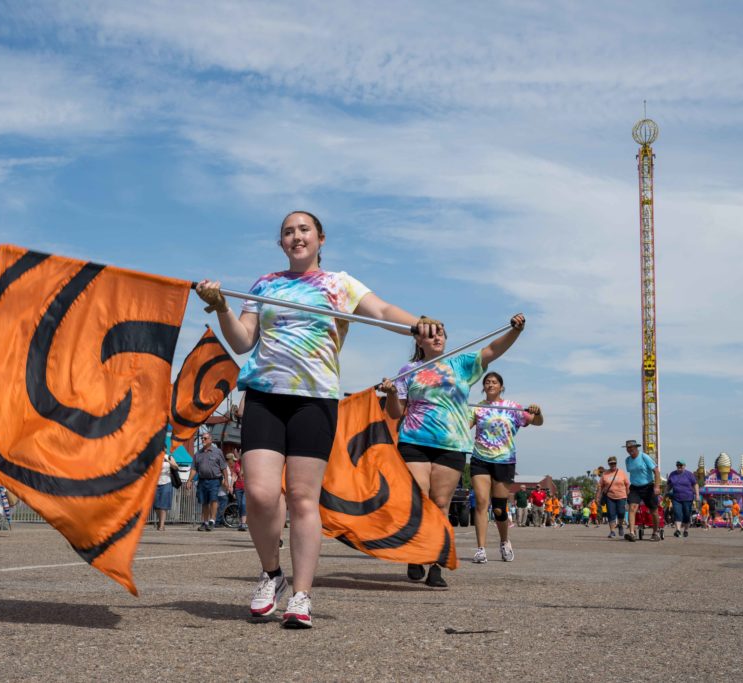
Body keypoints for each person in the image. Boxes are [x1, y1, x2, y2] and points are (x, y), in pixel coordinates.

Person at [196, 210, 432, 628]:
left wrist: (417, 324)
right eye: (288, 231)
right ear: (281, 243)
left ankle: (302, 594)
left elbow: (380, 310)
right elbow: (242, 340)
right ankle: (272, 574)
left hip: (314, 400)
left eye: (304, 229)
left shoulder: (339, 284)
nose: (296, 236)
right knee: (263, 496)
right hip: (265, 397)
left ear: (320, 238)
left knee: (304, 498)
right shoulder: (265, 284)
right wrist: (221, 308)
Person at [380, 313, 528, 586]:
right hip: (414, 440)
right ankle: (416, 551)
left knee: (440, 504)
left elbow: (493, 350)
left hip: (452, 445)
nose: (437, 337)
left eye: (441, 333)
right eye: (431, 333)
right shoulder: (408, 370)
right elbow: (395, 412)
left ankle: (435, 564)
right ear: (419, 339)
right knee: (418, 499)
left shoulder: (461, 363)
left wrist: (515, 331)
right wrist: (391, 393)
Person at [468, 371, 543, 563]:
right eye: (487, 382)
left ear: (501, 387)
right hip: (480, 459)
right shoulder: (477, 407)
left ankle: (504, 541)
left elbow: (537, 422)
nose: (490, 384)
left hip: (504, 461)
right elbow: (463, 426)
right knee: (482, 503)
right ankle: (480, 549)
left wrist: (538, 412)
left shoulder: (513, 408)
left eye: (494, 382)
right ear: (483, 387)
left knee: (499, 508)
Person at [185, 431, 228, 531]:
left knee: (213, 499)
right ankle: (205, 522)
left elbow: (224, 468)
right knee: (204, 501)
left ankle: (212, 521)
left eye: (205, 438)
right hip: (202, 480)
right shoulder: (197, 454)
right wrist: (189, 480)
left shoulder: (218, 452)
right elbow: (194, 469)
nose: (203, 440)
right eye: (202, 438)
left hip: (215, 480)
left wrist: (226, 480)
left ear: (210, 440)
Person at [622, 439, 661, 542]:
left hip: (648, 486)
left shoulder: (644, 457)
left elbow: (656, 471)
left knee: (654, 511)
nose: (630, 450)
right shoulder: (627, 460)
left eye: (632, 448)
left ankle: (655, 532)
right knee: (632, 508)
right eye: (628, 448)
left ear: (636, 447)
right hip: (635, 487)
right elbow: (633, 473)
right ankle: (631, 533)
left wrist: (657, 486)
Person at [596, 456, 630, 538]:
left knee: (621, 513)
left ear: (616, 463)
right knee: (611, 514)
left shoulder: (621, 472)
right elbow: (600, 486)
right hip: (609, 497)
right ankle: (612, 531)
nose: (613, 465)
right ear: (608, 464)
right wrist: (597, 497)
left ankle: (620, 525)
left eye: (614, 463)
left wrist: (629, 495)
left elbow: (627, 484)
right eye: (611, 463)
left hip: (621, 496)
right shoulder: (605, 474)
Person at [666, 460, 698, 538]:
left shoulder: (689, 474)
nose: (679, 467)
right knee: (677, 513)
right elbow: (669, 485)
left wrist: (697, 495)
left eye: (681, 465)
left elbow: (695, 484)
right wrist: (665, 493)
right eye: (678, 465)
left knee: (687, 514)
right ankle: (678, 530)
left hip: (688, 498)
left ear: (684, 466)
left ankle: (686, 530)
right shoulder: (672, 474)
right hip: (676, 497)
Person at [153, 448, 180, 531]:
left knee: (163, 505)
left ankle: (161, 525)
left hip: (166, 482)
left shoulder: (168, 457)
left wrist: (167, 461)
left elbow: (176, 467)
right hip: (155, 483)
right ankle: (160, 521)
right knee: (156, 505)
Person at [230, 449, 247, 531]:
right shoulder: (237, 463)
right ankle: (241, 523)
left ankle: (243, 523)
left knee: (244, 504)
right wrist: (231, 486)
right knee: (240, 505)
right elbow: (234, 475)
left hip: (247, 487)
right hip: (238, 487)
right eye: (240, 454)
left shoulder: (249, 464)